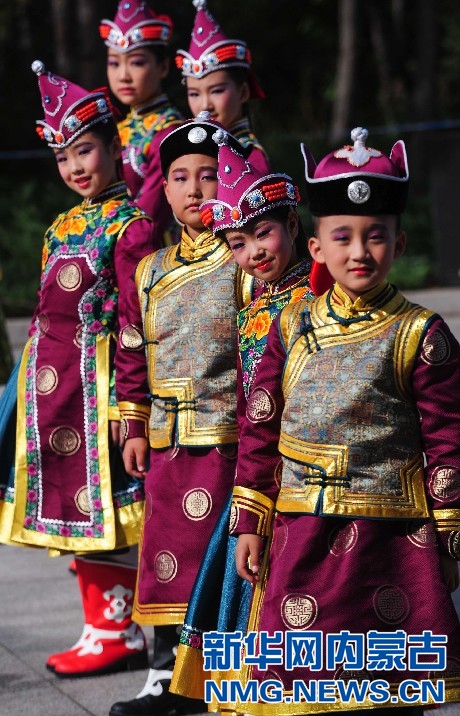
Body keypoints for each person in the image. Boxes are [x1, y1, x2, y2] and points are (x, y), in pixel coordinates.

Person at [221, 127, 460, 715]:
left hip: (393, 539)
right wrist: (249, 518)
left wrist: (451, 534)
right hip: (302, 532)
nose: (360, 252)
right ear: (317, 248)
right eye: (343, 237)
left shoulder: (421, 335)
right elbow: (260, 431)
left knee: (390, 689)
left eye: (375, 236)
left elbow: (449, 441)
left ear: (399, 244)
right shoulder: (288, 328)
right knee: (304, 686)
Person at [0, 61, 155, 678]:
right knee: (79, 524)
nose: (75, 168)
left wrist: (129, 404)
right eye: (63, 158)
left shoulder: (132, 227)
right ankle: (100, 628)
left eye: (85, 151)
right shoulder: (61, 225)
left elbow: (135, 323)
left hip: (101, 399)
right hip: (55, 400)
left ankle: (121, 632)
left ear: (114, 147)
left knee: (115, 517)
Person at [169, 131, 333, 702]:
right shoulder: (253, 309)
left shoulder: (320, 300)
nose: (254, 252)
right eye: (238, 244)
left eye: (262, 233)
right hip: (261, 473)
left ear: (293, 227)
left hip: (314, 475)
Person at [110, 114, 255, 716]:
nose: (196, 189)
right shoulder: (149, 270)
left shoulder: (243, 264)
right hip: (166, 444)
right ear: (163, 190)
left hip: (226, 441)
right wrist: (133, 422)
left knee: (216, 563)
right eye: (179, 177)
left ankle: (224, 684)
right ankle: (164, 678)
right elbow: (131, 347)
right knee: (163, 558)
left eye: (208, 175)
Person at [100, 0, 183, 247]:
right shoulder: (118, 128)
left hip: (151, 252)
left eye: (136, 62)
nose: (123, 75)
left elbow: (150, 214)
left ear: (163, 67)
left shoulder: (169, 131)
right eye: (114, 63)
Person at [176, 0, 270, 173]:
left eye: (217, 91)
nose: (205, 105)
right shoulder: (187, 147)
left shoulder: (251, 156)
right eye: (194, 94)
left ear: (242, 92)